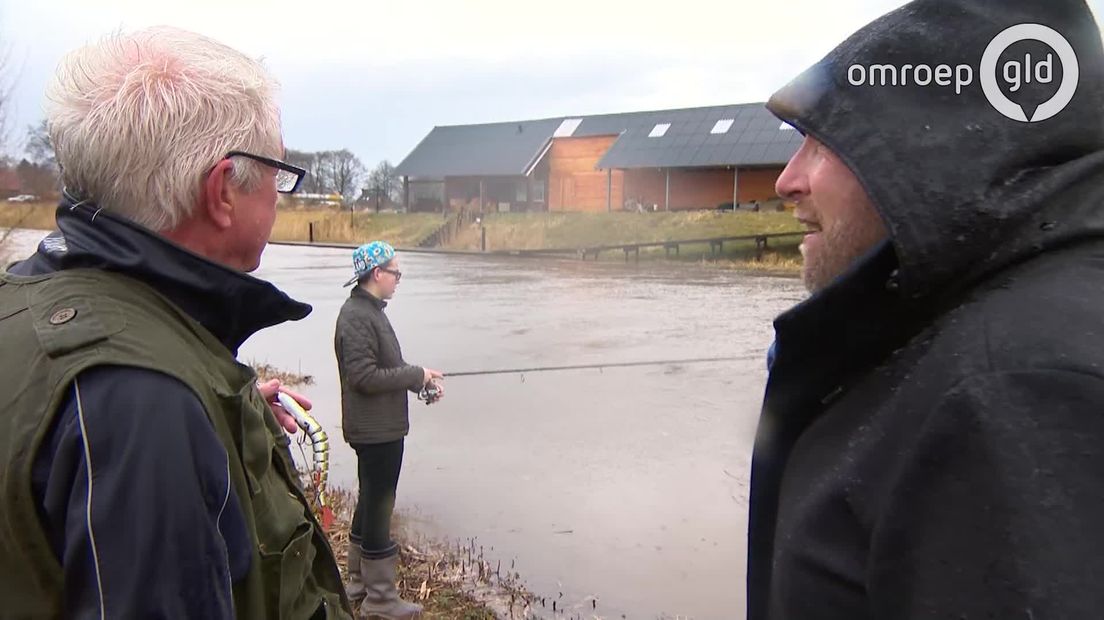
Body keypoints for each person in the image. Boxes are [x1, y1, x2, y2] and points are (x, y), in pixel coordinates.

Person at [747, 0, 1104, 618]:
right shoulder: (965, 334)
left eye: (821, 143)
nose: (786, 181)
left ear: (921, 152)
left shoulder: (1016, 390)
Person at [0, 26, 352, 618]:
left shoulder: (23, 296)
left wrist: (212, 415)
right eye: (277, 173)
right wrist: (170, 418)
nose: (279, 194)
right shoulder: (143, 402)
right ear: (222, 191)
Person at [334, 241, 444, 619]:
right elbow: (364, 376)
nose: (399, 280)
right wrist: (416, 374)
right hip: (376, 431)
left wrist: (421, 383)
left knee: (370, 499)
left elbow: (386, 366)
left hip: (377, 427)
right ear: (377, 274)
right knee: (380, 505)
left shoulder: (368, 311)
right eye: (395, 273)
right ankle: (380, 600)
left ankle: (358, 583)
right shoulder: (357, 316)